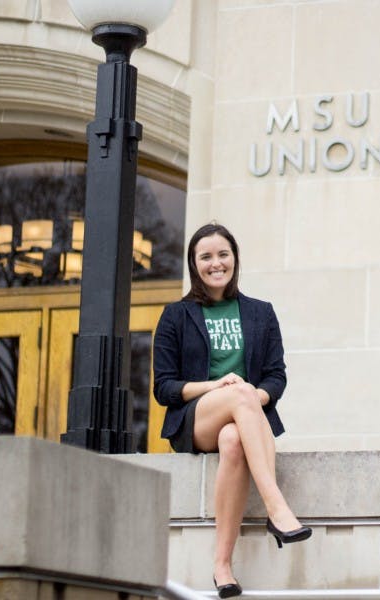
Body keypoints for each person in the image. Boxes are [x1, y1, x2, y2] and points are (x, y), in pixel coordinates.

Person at [153, 222, 310, 598]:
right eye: (206, 256)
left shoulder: (260, 313)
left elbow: (276, 376)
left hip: (242, 417)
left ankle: (222, 566)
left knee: (233, 439)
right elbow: (164, 388)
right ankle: (277, 507)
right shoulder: (176, 315)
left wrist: (252, 401)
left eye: (223, 254)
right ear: (194, 264)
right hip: (196, 418)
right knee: (238, 395)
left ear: (235, 259)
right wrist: (218, 387)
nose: (216, 263)